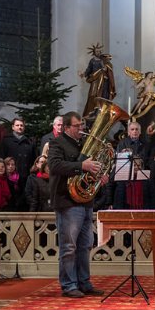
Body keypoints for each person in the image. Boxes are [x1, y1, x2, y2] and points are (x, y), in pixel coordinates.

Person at [48, 111, 106, 298]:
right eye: (77, 126)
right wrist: (82, 166)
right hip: (67, 202)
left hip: (85, 202)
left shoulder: (83, 144)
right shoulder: (57, 143)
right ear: (66, 128)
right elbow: (55, 166)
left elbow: (89, 170)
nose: (82, 129)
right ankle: (69, 284)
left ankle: (84, 282)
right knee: (69, 246)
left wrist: (98, 175)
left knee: (85, 245)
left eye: (82, 125)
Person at [80, 44, 116, 116]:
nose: (98, 52)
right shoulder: (92, 61)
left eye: (99, 51)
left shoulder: (104, 60)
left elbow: (108, 67)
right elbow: (89, 69)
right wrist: (84, 74)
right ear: (94, 52)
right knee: (93, 95)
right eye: (97, 51)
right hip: (95, 81)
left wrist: (106, 67)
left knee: (103, 95)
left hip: (104, 81)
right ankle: (93, 110)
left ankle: (102, 108)